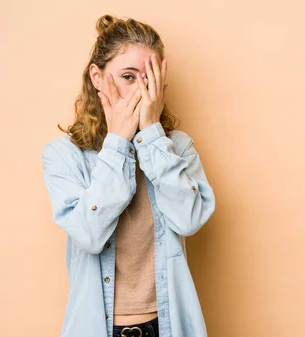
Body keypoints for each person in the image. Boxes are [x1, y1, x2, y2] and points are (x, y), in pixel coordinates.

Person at [41, 14, 216, 337]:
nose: (141, 90)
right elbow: (89, 235)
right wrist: (118, 143)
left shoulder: (177, 147)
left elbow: (189, 219)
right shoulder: (63, 154)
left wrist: (151, 135)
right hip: (97, 328)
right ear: (97, 77)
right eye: (128, 76)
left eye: (149, 78)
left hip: (167, 325)